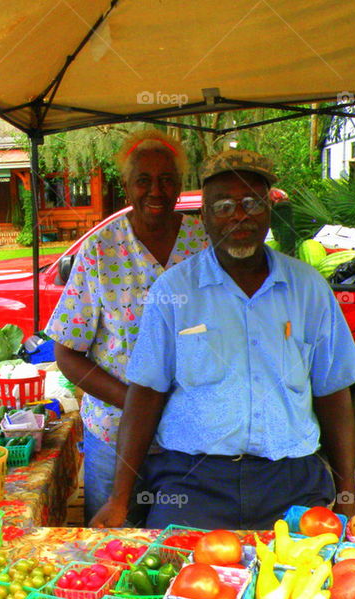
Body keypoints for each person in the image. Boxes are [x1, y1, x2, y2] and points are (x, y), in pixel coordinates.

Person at [91, 149, 355, 530]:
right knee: (177, 576)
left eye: (252, 202)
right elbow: (146, 395)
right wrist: (119, 499)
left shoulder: (309, 289)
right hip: (193, 482)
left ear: (268, 211)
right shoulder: (173, 291)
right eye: (222, 206)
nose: (239, 215)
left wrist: (348, 497)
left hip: (292, 480)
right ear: (203, 218)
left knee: (304, 584)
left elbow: (333, 393)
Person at [44, 129, 208, 524]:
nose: (156, 190)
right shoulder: (101, 249)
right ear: (127, 186)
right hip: (113, 433)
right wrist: (137, 403)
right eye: (144, 180)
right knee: (111, 543)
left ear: (180, 185)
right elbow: (66, 352)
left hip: (190, 435)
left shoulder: (203, 245)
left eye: (167, 179)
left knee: (180, 545)